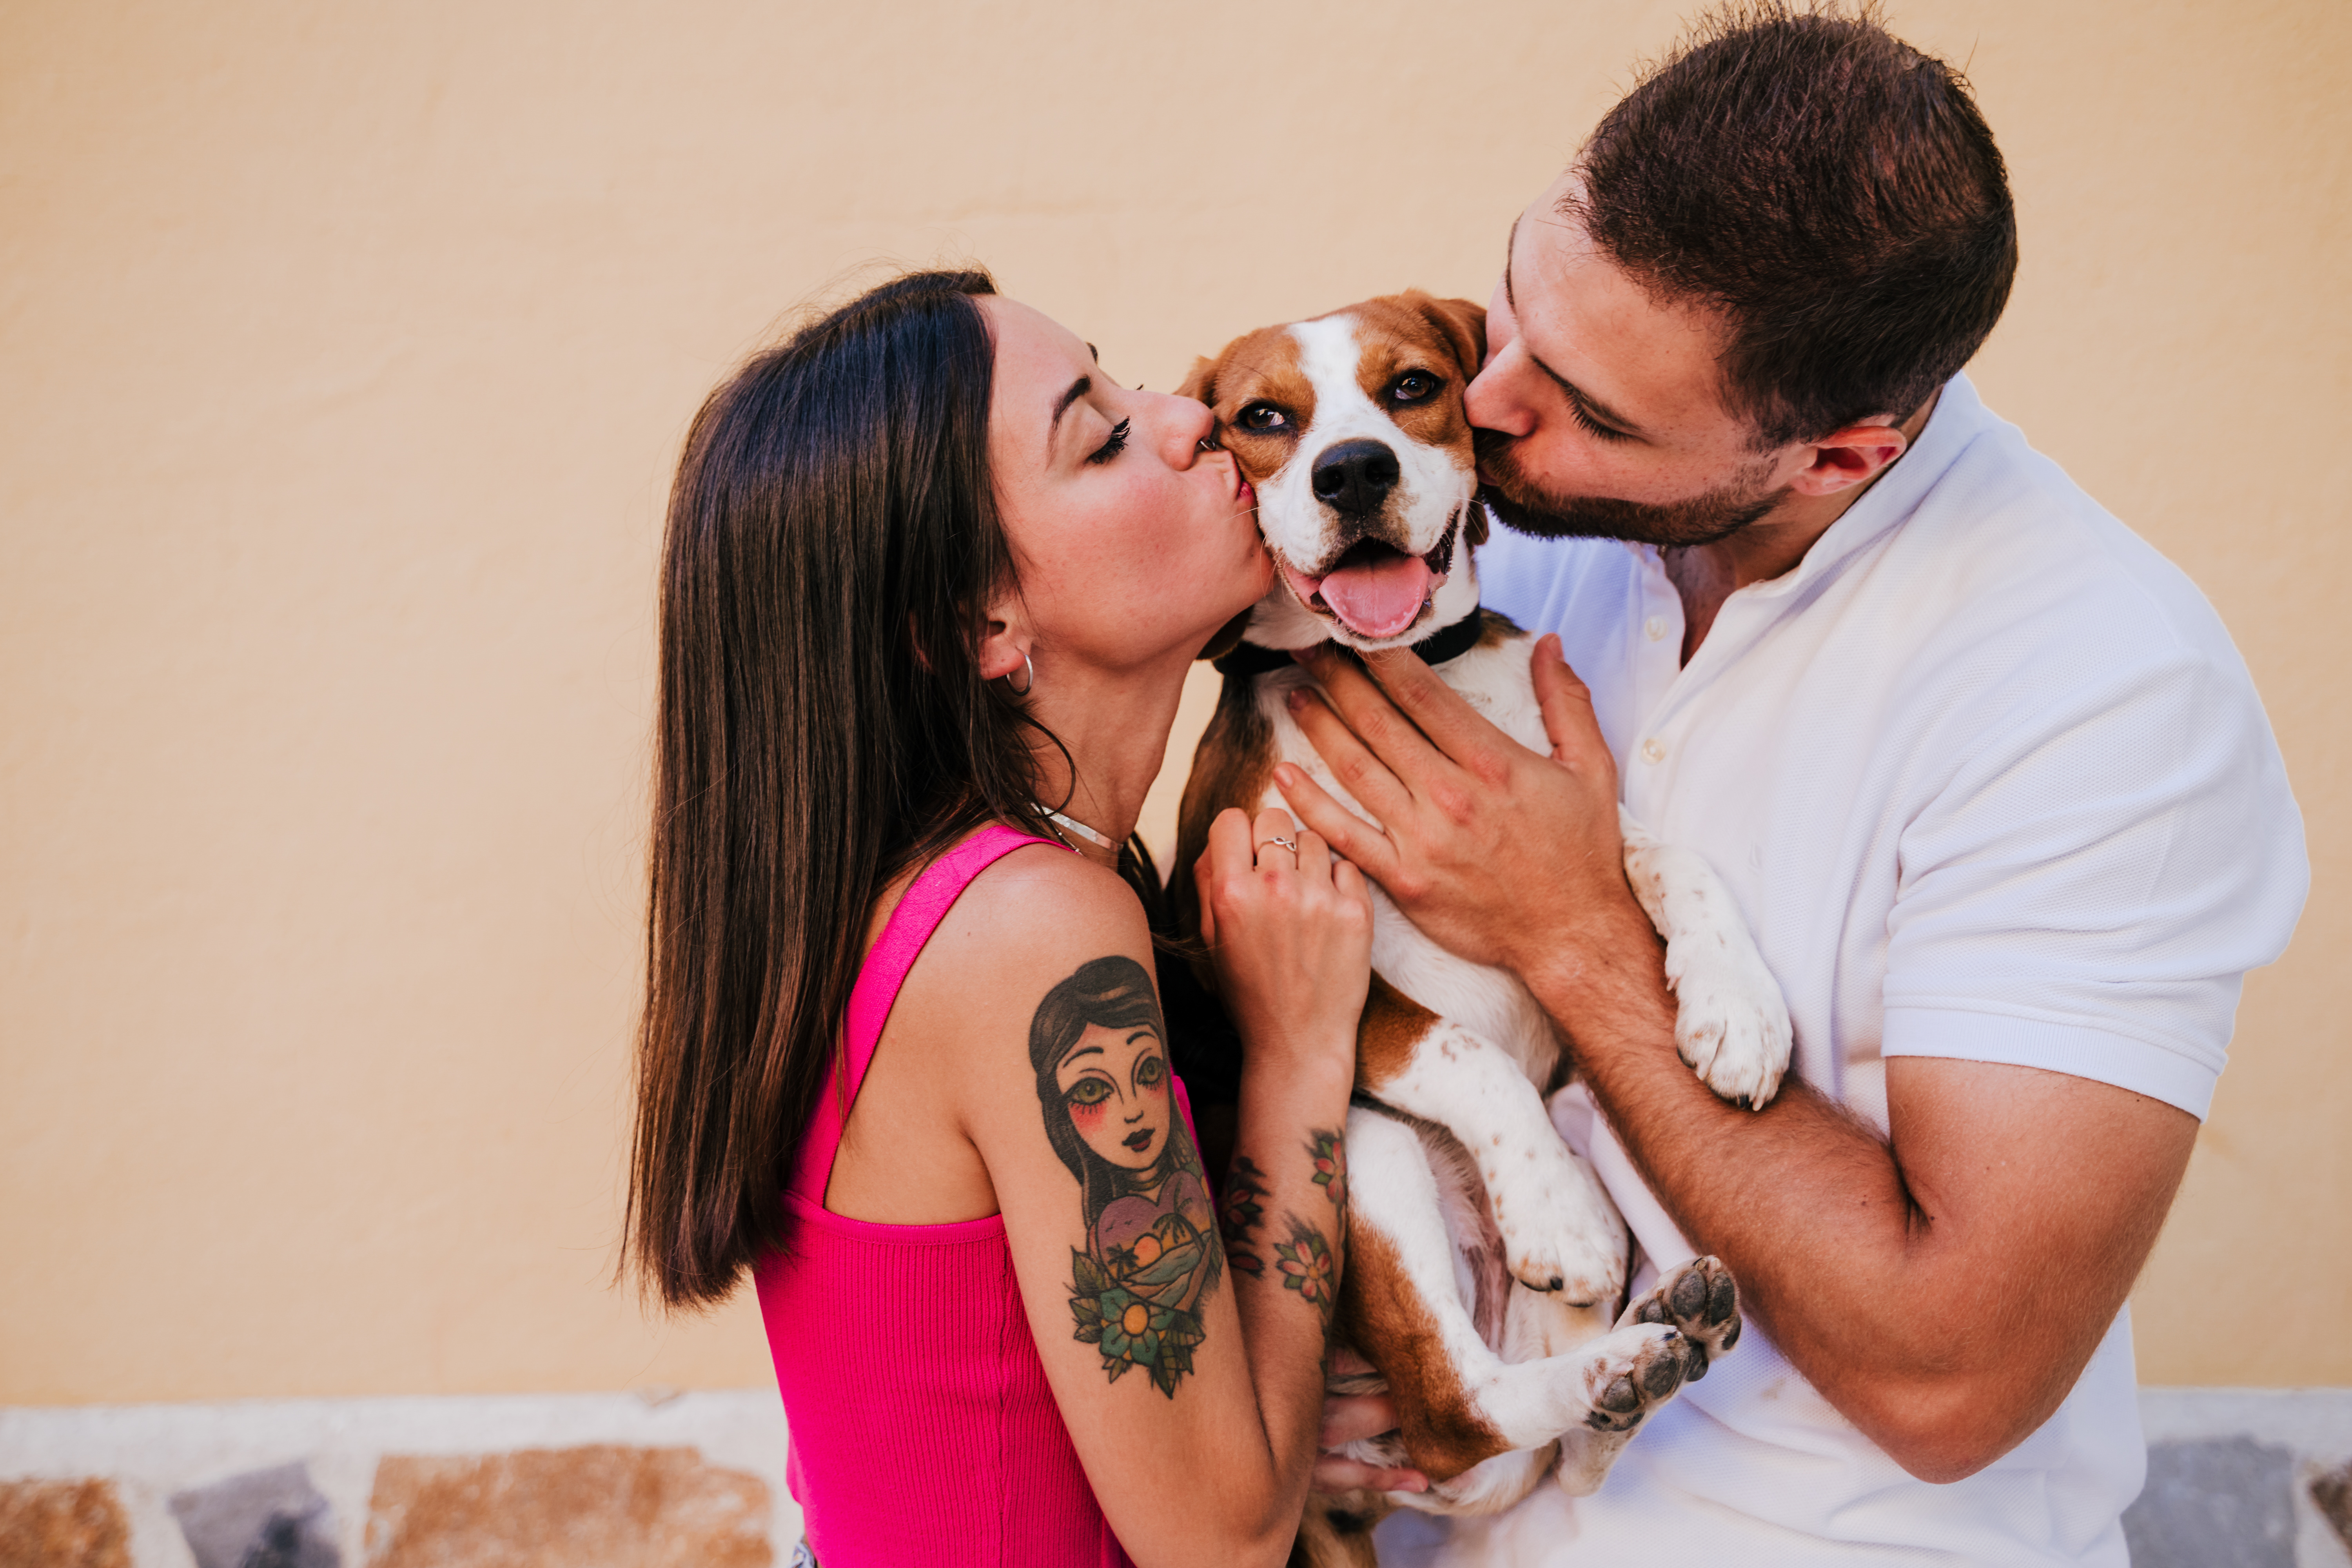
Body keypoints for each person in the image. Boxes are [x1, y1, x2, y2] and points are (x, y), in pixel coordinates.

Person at [1283, 9, 2310, 1564]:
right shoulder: (1497, 523)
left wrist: (1578, 933)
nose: (1489, 407)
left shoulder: (2100, 690)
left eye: (1593, 408)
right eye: (1513, 306)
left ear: (1835, 458)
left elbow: (1955, 1373)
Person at [624, 269, 1376, 1567]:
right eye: (1103, 435)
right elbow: (1225, 1541)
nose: (1188, 415)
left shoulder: (910, 899)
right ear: (978, 618)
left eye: (1125, 377)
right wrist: (1301, 1058)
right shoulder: (1036, 933)